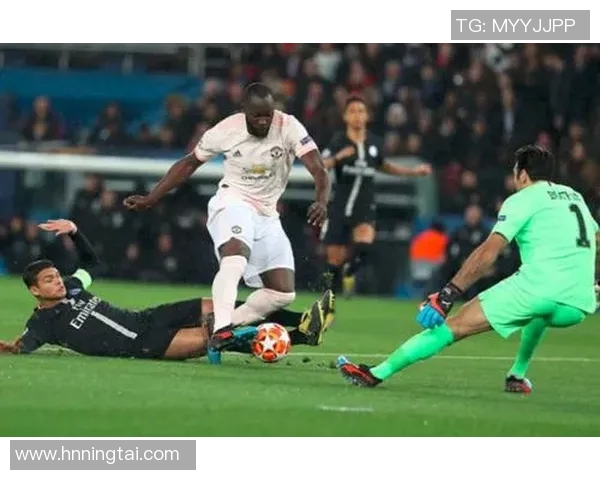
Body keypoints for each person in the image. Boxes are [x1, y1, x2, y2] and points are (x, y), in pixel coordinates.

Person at [338, 145, 600, 393]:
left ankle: (377, 373)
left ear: (522, 174)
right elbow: (596, 239)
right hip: (578, 303)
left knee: (455, 325)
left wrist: (448, 294)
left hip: (537, 290)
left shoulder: (521, 199)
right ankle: (517, 375)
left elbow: (488, 253)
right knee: (539, 314)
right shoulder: (574, 196)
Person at [123, 83, 331, 361]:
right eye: (257, 115)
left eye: (268, 114)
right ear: (244, 111)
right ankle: (222, 329)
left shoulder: (288, 126)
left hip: (267, 214)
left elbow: (318, 168)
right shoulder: (226, 130)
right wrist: (152, 197)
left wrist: (321, 201)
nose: (264, 121)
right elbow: (189, 163)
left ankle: (223, 326)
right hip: (233, 202)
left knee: (282, 293)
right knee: (236, 257)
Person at [0, 220, 335, 359]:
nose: (58, 281)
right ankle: (301, 337)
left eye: (56, 275)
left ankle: (303, 319)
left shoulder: (73, 287)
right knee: (217, 334)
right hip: (142, 344)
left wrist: (75, 232)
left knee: (218, 304)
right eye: (49, 280)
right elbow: (18, 348)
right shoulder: (41, 324)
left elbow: (94, 265)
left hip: (146, 318)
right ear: (35, 291)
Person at [320, 96, 431, 296]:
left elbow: (384, 166)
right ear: (345, 117)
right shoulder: (338, 141)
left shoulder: (374, 142)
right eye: (352, 111)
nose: (357, 115)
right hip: (340, 205)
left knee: (364, 245)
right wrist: (338, 158)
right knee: (334, 260)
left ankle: (350, 271)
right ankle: (328, 296)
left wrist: (414, 172)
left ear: (367, 116)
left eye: (361, 111)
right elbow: (321, 165)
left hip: (365, 205)